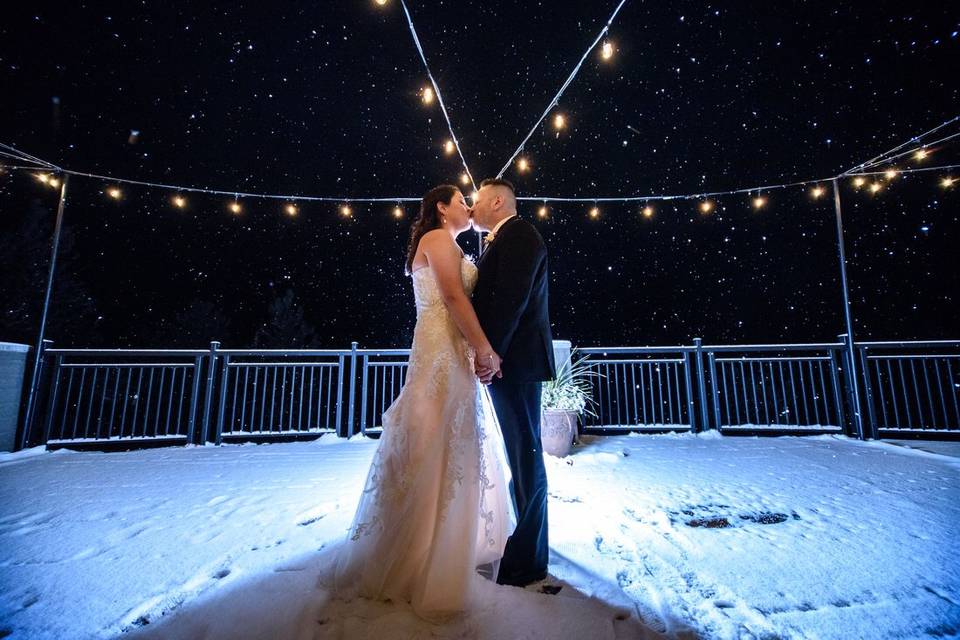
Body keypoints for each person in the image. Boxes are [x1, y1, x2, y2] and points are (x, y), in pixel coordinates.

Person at [333, 184, 514, 621]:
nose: (467, 206)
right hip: (437, 350)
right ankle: (419, 552)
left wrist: (474, 350)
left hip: (453, 351)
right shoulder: (435, 239)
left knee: (451, 442)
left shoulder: (447, 242)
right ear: (441, 207)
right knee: (434, 439)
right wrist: (485, 349)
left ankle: (449, 540)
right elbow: (451, 298)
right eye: (460, 201)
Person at [470, 178, 556, 587]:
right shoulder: (503, 238)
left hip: (515, 363)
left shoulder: (520, 234)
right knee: (521, 453)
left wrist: (493, 353)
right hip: (511, 362)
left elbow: (512, 299)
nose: (472, 208)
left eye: (477, 201)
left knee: (526, 455)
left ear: (498, 201)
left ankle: (529, 561)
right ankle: (530, 541)